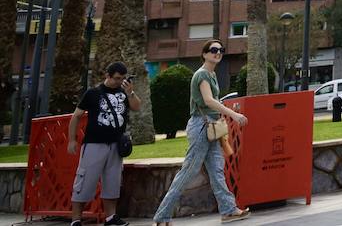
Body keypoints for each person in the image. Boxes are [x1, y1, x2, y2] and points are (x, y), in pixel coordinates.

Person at [152, 41, 249, 226]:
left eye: (221, 50)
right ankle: (162, 216)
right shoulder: (202, 74)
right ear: (204, 54)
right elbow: (209, 101)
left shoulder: (211, 74)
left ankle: (229, 210)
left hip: (211, 127)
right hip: (201, 127)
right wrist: (234, 114)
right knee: (188, 172)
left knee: (216, 170)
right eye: (213, 50)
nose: (218, 53)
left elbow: (212, 102)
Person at [69, 62, 139, 226]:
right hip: (94, 143)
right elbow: (76, 116)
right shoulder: (93, 93)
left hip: (115, 145)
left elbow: (136, 106)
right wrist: (72, 140)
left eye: (122, 79)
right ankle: (76, 220)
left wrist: (130, 93)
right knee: (85, 180)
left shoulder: (124, 93)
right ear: (107, 76)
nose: (119, 82)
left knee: (112, 182)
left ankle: (110, 217)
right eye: (116, 78)